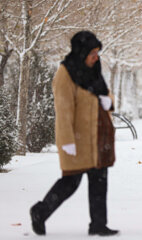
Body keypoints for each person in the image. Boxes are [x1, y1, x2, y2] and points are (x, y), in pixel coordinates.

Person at [29, 31, 119, 236]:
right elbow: (63, 110)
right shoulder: (65, 73)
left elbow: (105, 92)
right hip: (78, 141)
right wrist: (67, 140)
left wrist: (109, 101)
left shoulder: (94, 70)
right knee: (70, 182)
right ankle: (40, 212)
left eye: (97, 52)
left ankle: (98, 224)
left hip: (99, 138)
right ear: (81, 52)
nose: (96, 56)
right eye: (92, 52)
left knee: (99, 182)